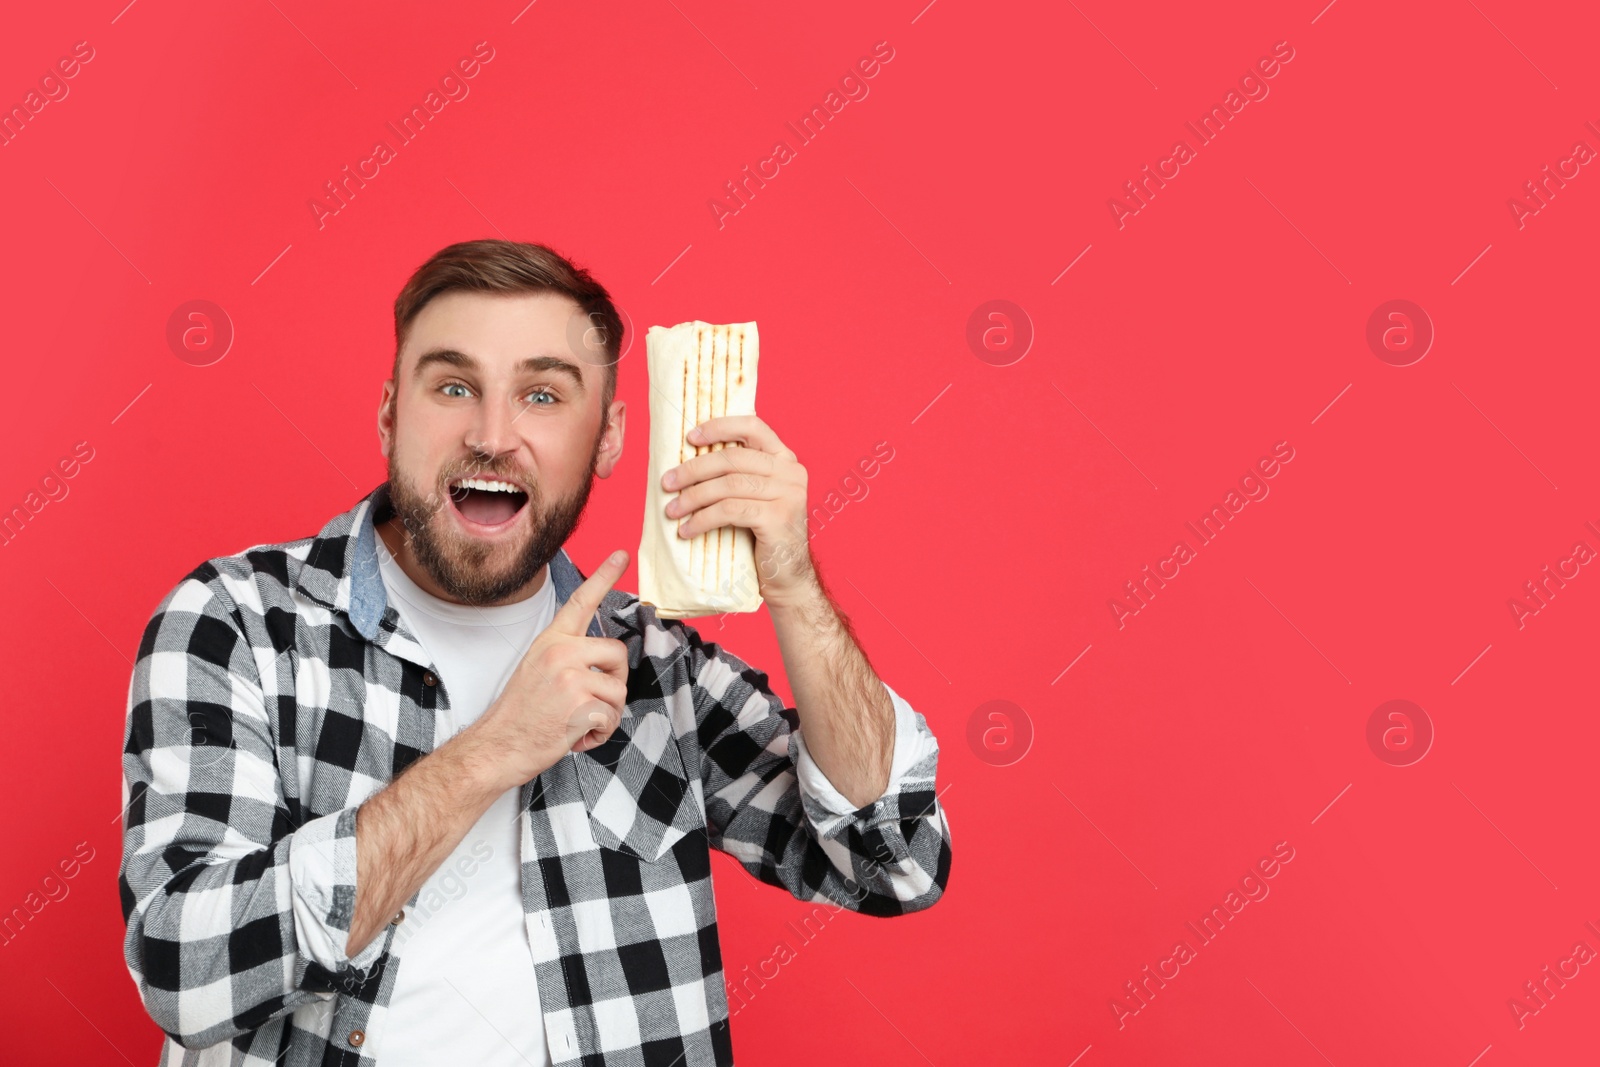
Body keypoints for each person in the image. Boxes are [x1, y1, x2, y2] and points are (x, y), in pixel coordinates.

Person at [117, 239, 952, 1066]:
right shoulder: (238, 623)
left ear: (610, 438)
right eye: (452, 386)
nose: (492, 434)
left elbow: (896, 864)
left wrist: (797, 588)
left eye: (544, 395)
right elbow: (190, 975)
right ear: (388, 415)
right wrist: (495, 749)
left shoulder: (657, 665)